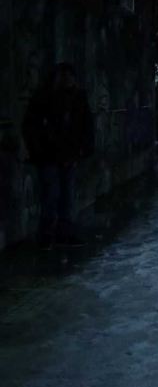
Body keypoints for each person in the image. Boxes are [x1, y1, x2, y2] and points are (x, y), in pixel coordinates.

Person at [22, 62, 95, 248]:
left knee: (65, 196)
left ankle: (61, 233)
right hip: (50, 155)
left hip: (66, 155)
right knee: (53, 195)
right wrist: (38, 148)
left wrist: (82, 149)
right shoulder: (47, 97)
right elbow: (32, 125)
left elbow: (85, 125)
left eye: (70, 76)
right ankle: (49, 235)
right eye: (65, 77)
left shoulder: (76, 97)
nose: (68, 80)